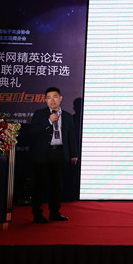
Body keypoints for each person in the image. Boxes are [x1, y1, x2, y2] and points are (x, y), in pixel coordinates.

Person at [29, 86, 78, 223]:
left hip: (60, 152)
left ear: (60, 98)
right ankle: (37, 214)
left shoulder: (67, 116)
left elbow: (71, 136)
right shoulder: (39, 114)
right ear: (45, 100)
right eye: (49, 97)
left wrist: (73, 154)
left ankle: (55, 212)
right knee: (39, 185)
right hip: (43, 154)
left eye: (55, 97)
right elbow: (32, 132)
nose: (52, 100)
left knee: (57, 185)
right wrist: (49, 122)